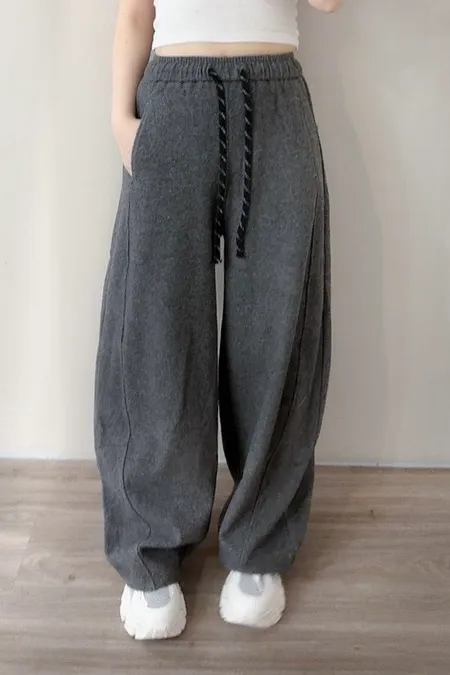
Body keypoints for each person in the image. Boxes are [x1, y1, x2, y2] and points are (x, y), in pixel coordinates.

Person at [94, 0, 341, 640]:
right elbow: (135, 11)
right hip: (172, 99)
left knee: (279, 325)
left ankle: (260, 542)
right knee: (154, 325)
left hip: (277, 99)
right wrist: (121, 119)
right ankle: (150, 548)